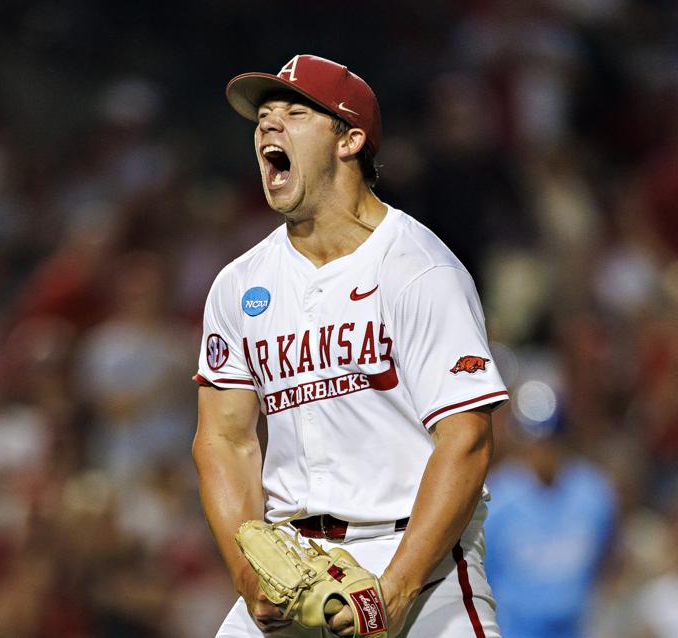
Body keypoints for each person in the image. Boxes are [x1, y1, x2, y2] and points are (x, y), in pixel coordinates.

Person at [192, 54, 509, 637]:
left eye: (295, 113)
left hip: (419, 566)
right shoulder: (240, 284)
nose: (268, 124)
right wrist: (248, 574)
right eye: (264, 116)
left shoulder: (418, 269)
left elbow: (466, 440)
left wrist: (397, 590)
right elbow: (224, 439)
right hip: (293, 570)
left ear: (350, 140)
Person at [483, 406, 616, 638]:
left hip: (576, 627)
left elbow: (606, 556)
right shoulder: (497, 497)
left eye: (550, 441)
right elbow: (482, 572)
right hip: (513, 629)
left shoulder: (593, 491)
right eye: (535, 441)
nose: (543, 450)